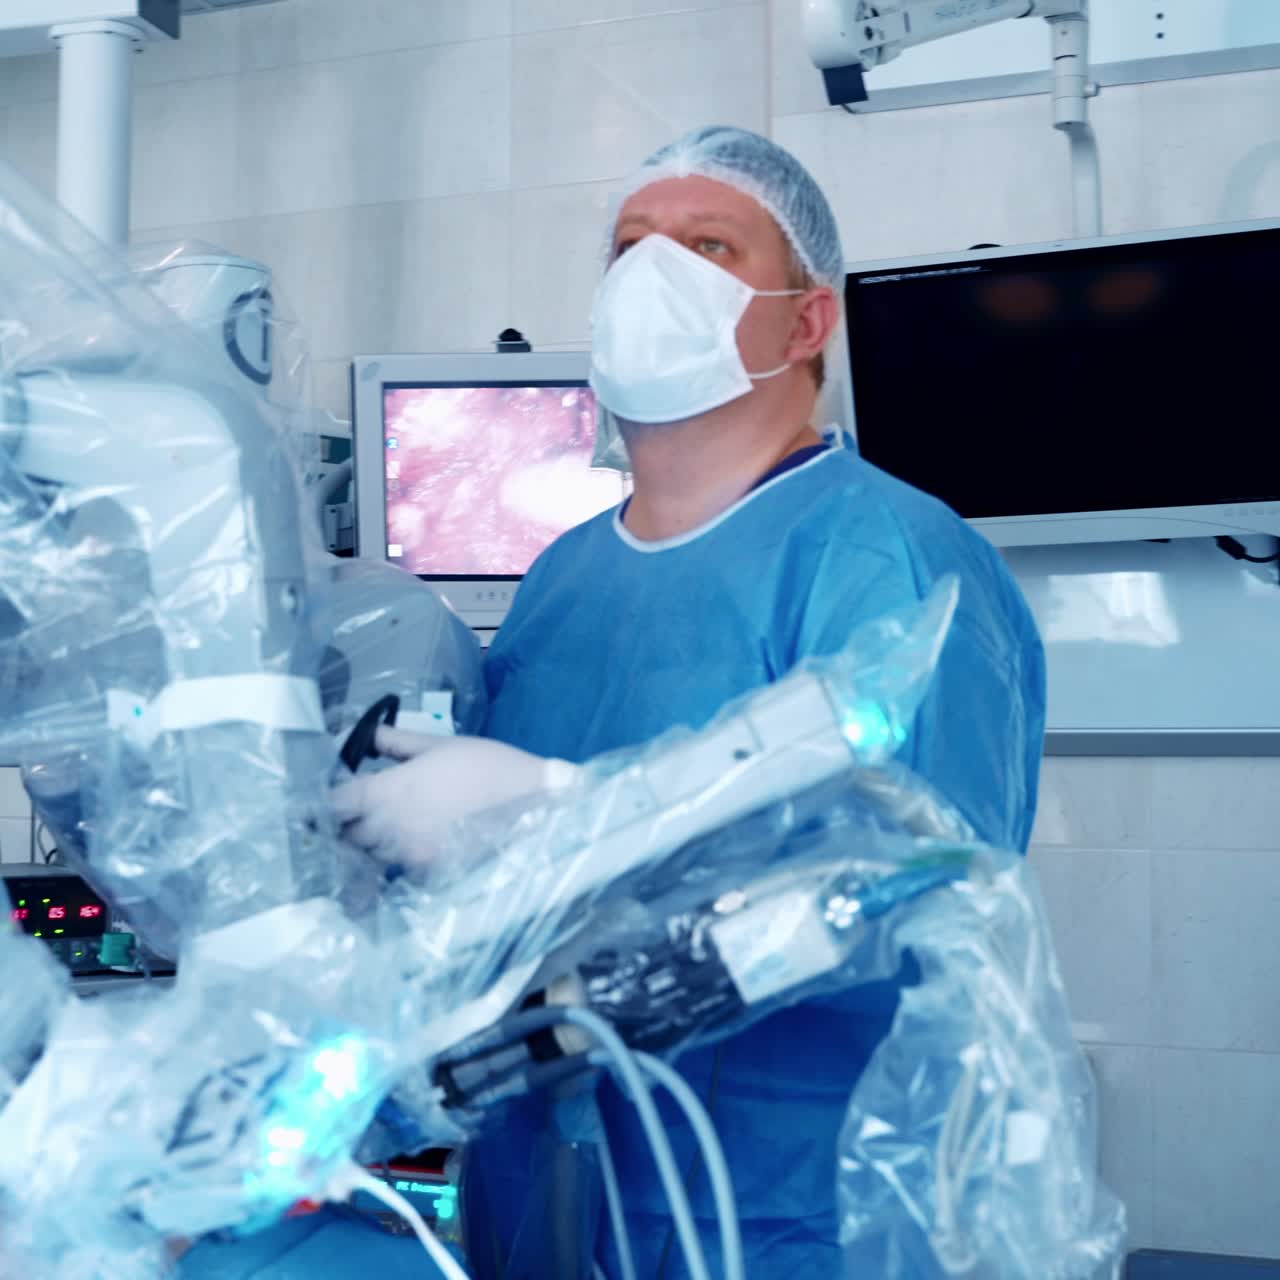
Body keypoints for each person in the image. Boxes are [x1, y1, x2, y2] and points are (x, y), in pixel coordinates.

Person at [336, 125, 1046, 1279]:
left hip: (789, 1201)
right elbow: (504, 896)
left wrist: (568, 808)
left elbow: (898, 891)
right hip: (544, 1190)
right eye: (628, 248)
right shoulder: (564, 577)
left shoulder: (889, 559)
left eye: (706, 245)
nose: (650, 275)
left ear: (806, 322)